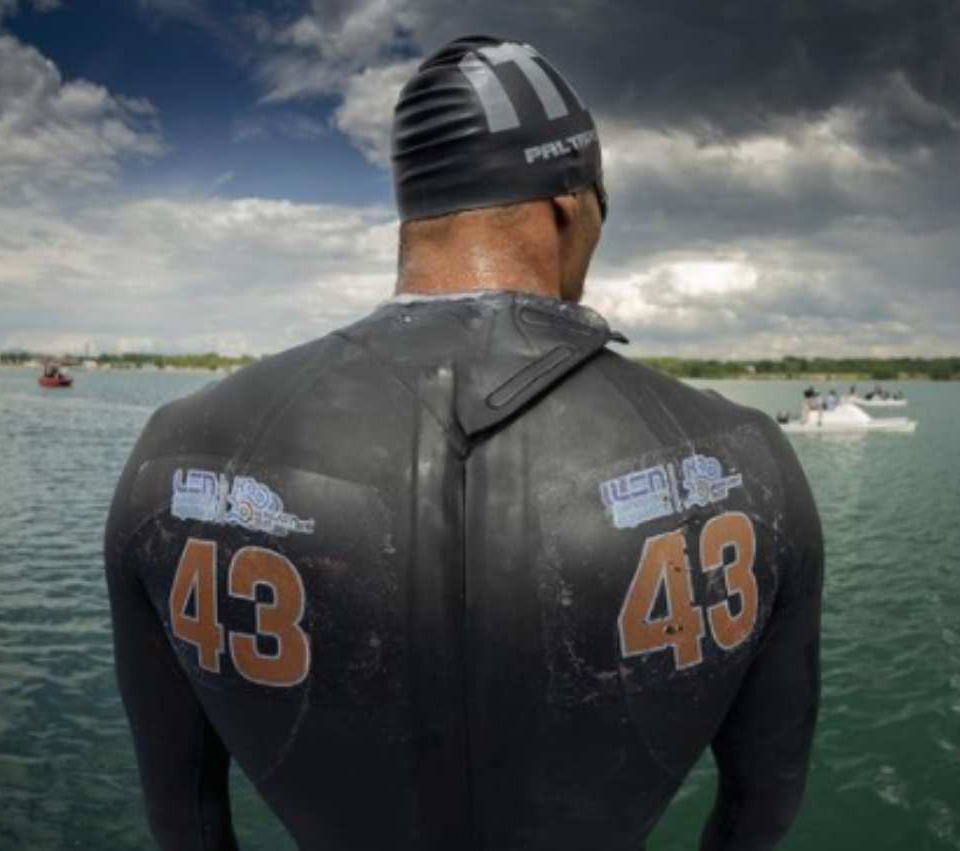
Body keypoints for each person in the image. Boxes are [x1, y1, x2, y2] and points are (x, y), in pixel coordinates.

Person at [106, 34, 823, 851]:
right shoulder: (750, 460)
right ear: (569, 203)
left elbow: (186, 815)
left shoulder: (174, 454)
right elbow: (763, 800)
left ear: (417, 216)